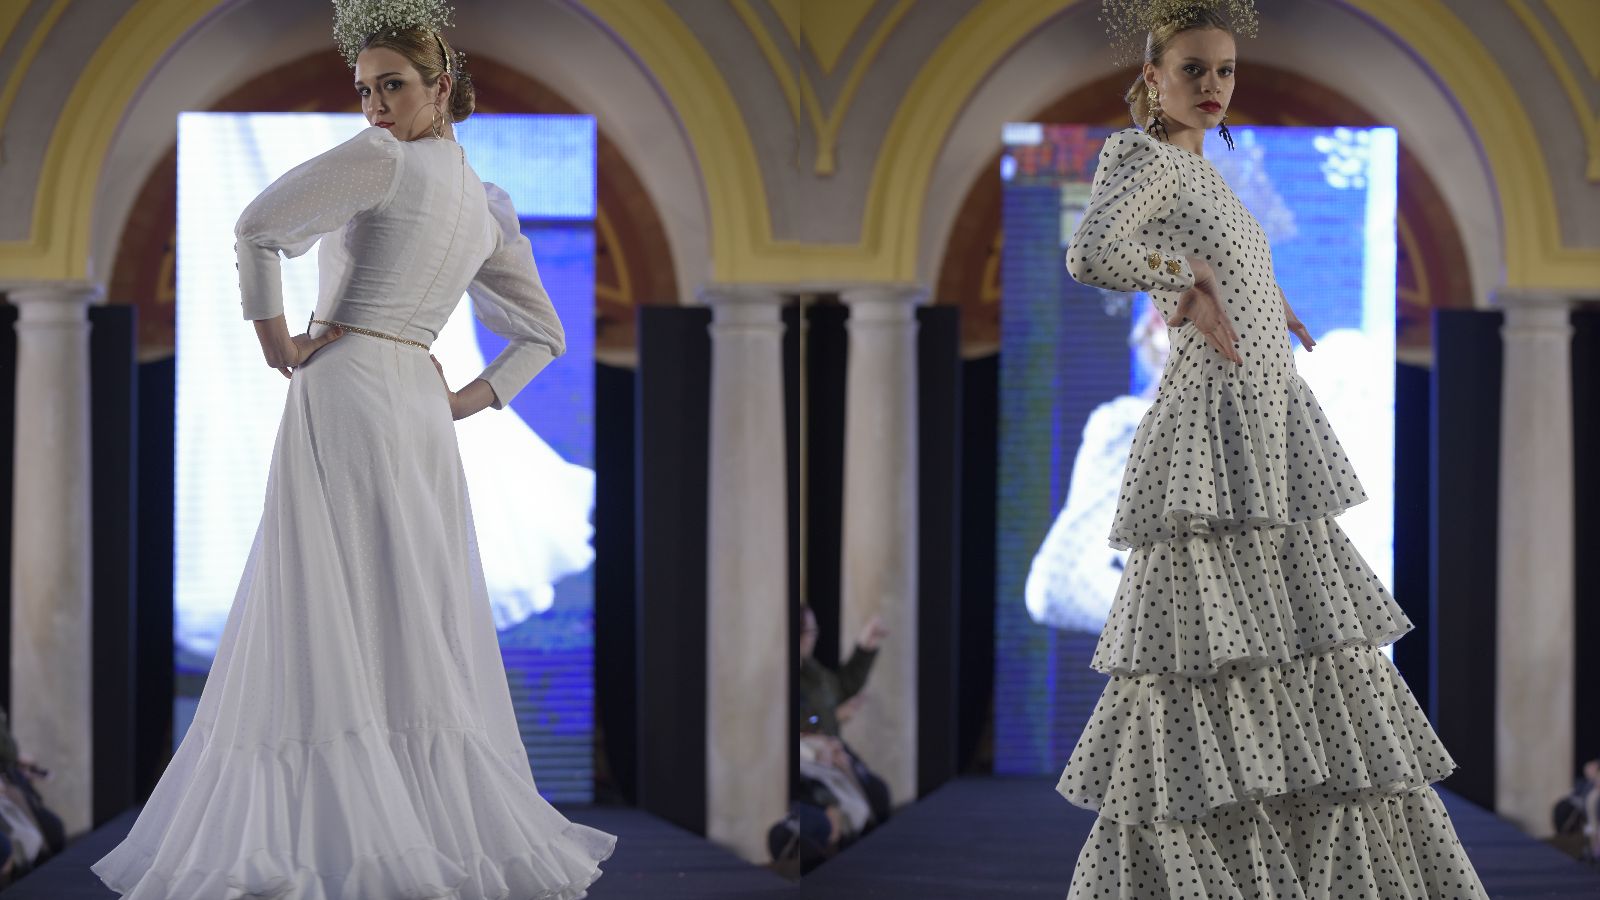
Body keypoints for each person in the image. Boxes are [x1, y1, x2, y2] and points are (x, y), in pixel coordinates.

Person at [90, 4, 613, 897]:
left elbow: (257, 226)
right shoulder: (485, 201)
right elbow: (544, 335)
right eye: (364, 89)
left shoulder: (383, 160)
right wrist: (461, 401)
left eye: (392, 86)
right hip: (414, 405)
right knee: (407, 611)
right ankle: (413, 827)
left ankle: (332, 835)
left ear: (442, 86)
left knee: (323, 599)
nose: (374, 106)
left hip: (345, 388)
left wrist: (277, 345)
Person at [1054, 2, 1489, 897]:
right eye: (1192, 69)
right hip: (1214, 418)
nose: (1213, 85)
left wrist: (1268, 298)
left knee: (1294, 640)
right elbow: (1091, 253)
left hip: (1265, 414)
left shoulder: (1202, 169)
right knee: (1212, 647)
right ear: (1153, 77)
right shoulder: (1142, 156)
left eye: (1225, 70)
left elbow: (1226, 263)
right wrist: (1186, 280)